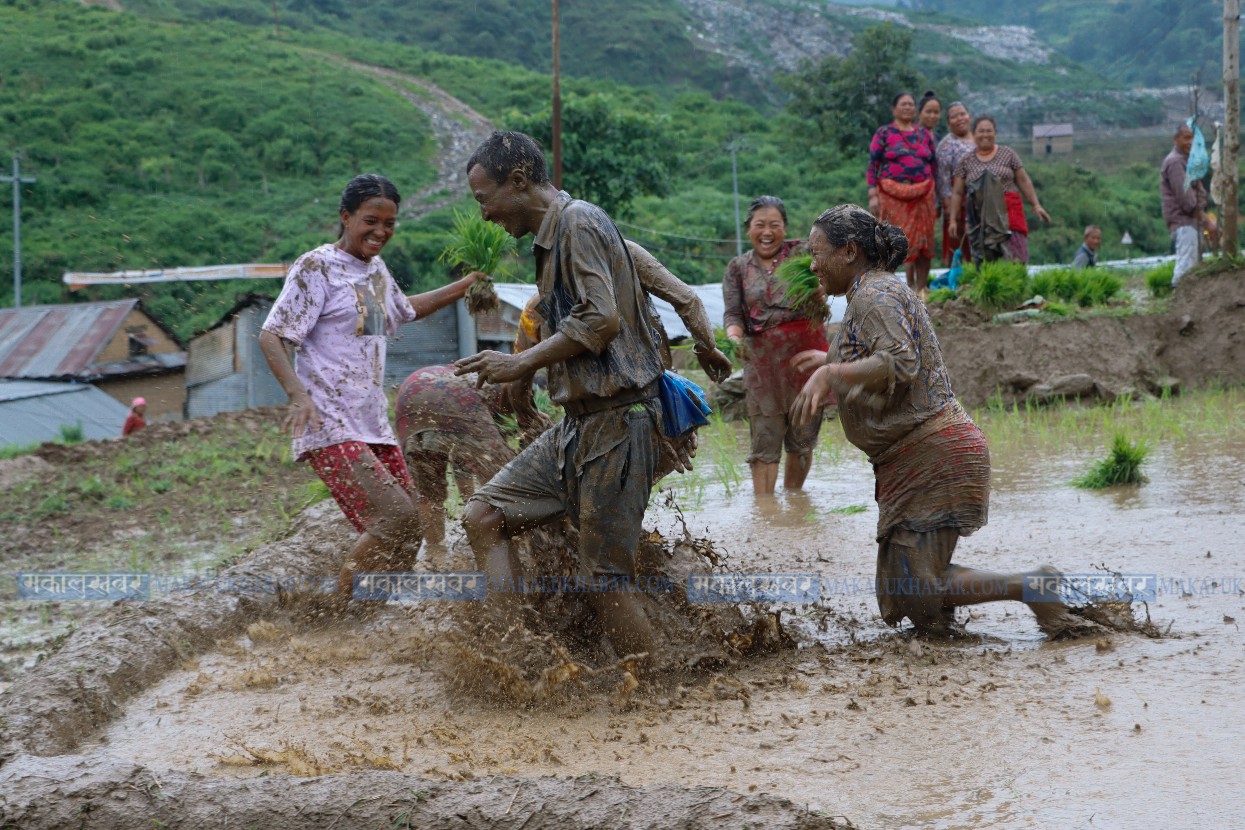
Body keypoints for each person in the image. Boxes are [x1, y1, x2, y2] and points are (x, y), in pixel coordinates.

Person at [790, 204, 1084, 637]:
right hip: (917, 454)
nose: (813, 264)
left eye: (818, 253)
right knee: (911, 595)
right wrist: (832, 357)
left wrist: (831, 373)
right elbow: (880, 353)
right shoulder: (873, 293)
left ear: (849, 251)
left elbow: (899, 362)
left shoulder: (874, 296)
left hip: (931, 452)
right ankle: (952, 642)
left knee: (917, 587)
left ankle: (1032, 585)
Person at [453, 130, 669, 661]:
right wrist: (524, 381)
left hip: (619, 419)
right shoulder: (551, 238)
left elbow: (602, 317)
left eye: (485, 200)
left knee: (603, 580)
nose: (484, 216)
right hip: (578, 423)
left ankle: (663, 698)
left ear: (520, 181)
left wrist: (519, 362)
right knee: (484, 517)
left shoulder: (577, 223)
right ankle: (514, 656)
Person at [258, 173, 487, 603]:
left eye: (389, 223)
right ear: (346, 217)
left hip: (370, 424)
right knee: (395, 519)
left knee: (413, 526)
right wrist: (298, 395)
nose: (380, 232)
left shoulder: (375, 271)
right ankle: (334, 610)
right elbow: (273, 336)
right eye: (370, 220)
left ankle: (368, 611)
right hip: (329, 423)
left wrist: (463, 286)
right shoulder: (317, 266)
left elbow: (405, 310)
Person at [722, 195, 829, 496]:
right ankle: (765, 510)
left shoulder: (802, 254)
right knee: (765, 437)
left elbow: (830, 279)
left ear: (785, 228)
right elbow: (733, 313)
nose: (767, 232)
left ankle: (794, 503)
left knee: (803, 437)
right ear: (749, 229)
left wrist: (821, 289)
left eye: (774, 225)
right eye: (760, 225)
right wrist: (732, 338)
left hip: (805, 359)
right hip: (763, 362)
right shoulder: (737, 267)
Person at [948, 115, 1050, 263]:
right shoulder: (965, 160)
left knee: (1016, 256)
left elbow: (1023, 180)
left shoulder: (1008, 154)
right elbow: (957, 192)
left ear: (995, 133)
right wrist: (953, 220)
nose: (985, 135)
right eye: (981, 131)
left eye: (989, 131)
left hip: (1010, 211)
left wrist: (1036, 205)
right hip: (979, 216)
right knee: (985, 261)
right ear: (974, 133)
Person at [867, 92, 938, 293]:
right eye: (903, 104)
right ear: (894, 109)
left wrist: (931, 190)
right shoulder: (884, 133)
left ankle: (922, 289)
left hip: (924, 195)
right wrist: (873, 194)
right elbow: (873, 164)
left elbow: (934, 165)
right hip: (892, 195)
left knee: (924, 242)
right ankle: (897, 289)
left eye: (911, 104)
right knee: (895, 240)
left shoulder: (924, 134)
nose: (908, 107)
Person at [1161, 122, 1215, 285]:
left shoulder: (1187, 161)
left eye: (1194, 138)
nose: (1191, 142)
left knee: (1192, 268)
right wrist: (1207, 222)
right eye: (1186, 138)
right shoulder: (1176, 162)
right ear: (1175, 139)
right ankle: (1178, 305)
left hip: (1191, 222)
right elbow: (1188, 202)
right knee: (1185, 269)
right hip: (1184, 222)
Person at [936, 101, 974, 267]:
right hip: (956, 198)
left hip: (979, 197)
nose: (959, 118)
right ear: (948, 122)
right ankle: (955, 281)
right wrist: (948, 202)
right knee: (956, 239)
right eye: (954, 116)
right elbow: (943, 176)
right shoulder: (946, 144)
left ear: (969, 116)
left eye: (962, 114)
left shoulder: (979, 136)